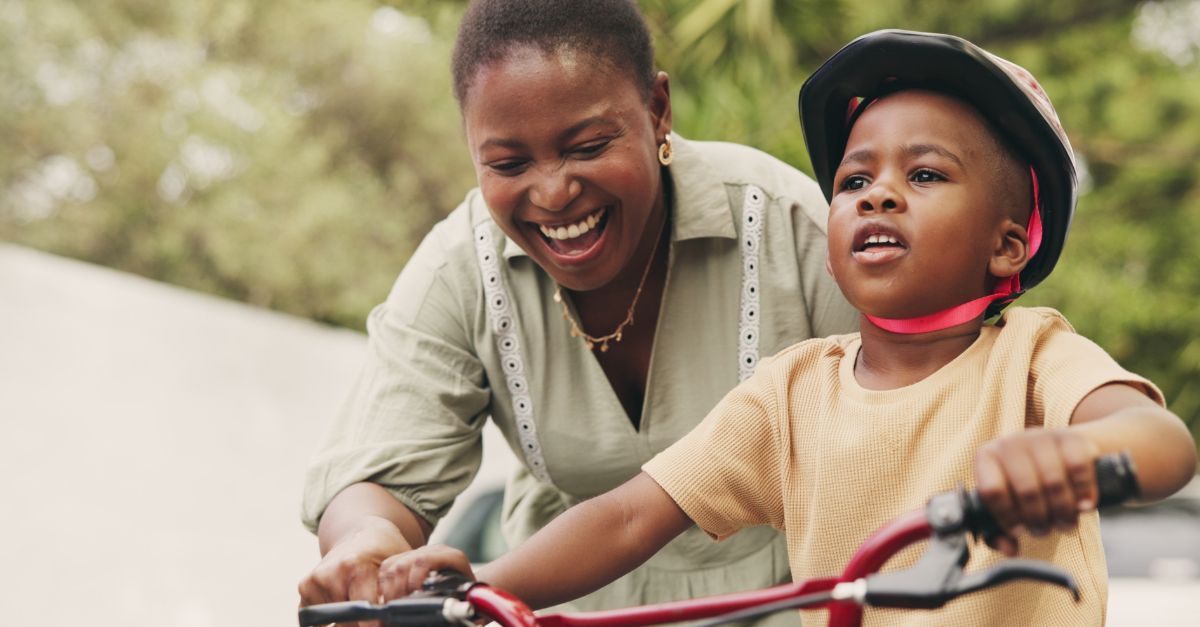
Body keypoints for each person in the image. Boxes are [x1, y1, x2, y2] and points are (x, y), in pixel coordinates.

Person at [377, 30, 1199, 626]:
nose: (877, 195)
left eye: (923, 174)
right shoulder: (789, 391)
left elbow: (1160, 441)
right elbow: (629, 516)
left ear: (1008, 242)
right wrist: (482, 583)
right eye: (854, 178)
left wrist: (1074, 454)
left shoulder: (1032, 357)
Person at [296, 0, 856, 619]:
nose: (554, 192)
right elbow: (381, 466)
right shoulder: (458, 270)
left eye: (588, 146)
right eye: (508, 164)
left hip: (787, 603)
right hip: (553, 608)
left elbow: (904, 435)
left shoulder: (791, 227)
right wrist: (367, 539)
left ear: (658, 110)